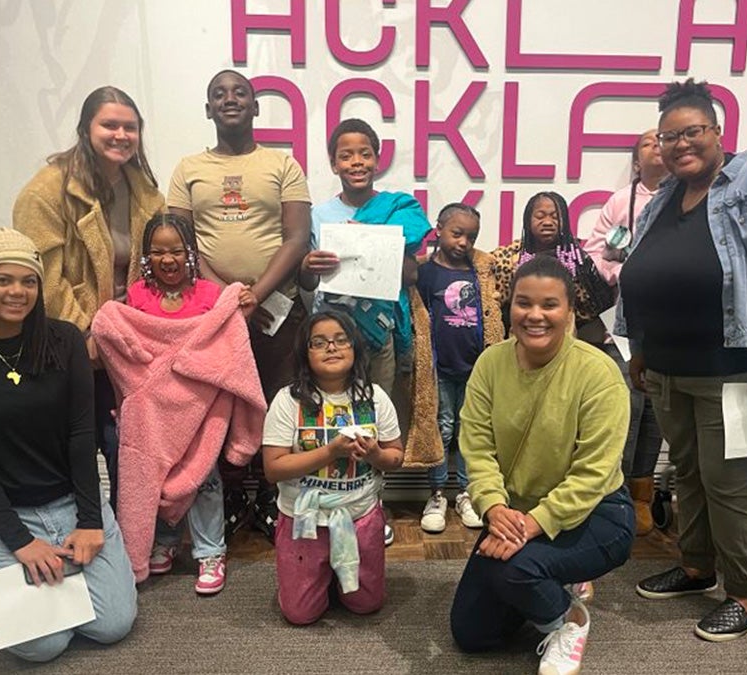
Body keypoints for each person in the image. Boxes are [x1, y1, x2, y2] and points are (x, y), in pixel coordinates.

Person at [615, 78, 747, 641]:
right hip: (666, 367)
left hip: (736, 366)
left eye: (692, 132)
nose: (680, 145)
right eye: (668, 137)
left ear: (717, 131)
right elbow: (639, 274)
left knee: (731, 484)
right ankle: (696, 567)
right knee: (687, 476)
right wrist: (637, 346)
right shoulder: (661, 199)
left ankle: (746, 594)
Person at [0, 228, 136, 662]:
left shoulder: (66, 341)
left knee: (112, 625)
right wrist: (20, 541)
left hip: (67, 504)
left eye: (29, 280)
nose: (17, 291)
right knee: (42, 647)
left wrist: (91, 520)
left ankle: (25, 583)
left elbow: (82, 434)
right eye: (3, 280)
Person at [450, 255, 635, 675]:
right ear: (509, 306)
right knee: (472, 633)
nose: (535, 315)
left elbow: (593, 474)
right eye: (523, 303)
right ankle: (555, 578)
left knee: (514, 570)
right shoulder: (490, 364)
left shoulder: (599, 373)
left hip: (596, 514)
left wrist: (530, 527)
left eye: (549, 305)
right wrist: (495, 510)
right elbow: (476, 449)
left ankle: (568, 619)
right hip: (513, 512)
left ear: (570, 311)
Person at [168, 69, 312, 542]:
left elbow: (296, 239)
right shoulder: (188, 169)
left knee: (277, 404)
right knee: (218, 408)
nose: (229, 100)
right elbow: (182, 242)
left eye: (240, 93)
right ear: (208, 109)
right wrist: (226, 297)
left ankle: (272, 499)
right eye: (218, 94)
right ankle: (230, 497)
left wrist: (257, 294)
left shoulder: (283, 165)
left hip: (277, 310)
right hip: (210, 311)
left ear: (254, 107)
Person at [91, 213, 265, 587]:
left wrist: (240, 299)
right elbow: (127, 354)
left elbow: (225, 349)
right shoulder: (136, 297)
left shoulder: (212, 296)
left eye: (176, 251)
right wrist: (129, 397)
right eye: (157, 252)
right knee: (151, 479)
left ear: (191, 254)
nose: (167, 260)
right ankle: (165, 544)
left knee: (203, 478)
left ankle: (210, 552)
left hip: (199, 409)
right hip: (154, 411)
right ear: (145, 258)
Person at [14, 85, 165, 509]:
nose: (121, 135)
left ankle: (127, 536)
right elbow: (40, 277)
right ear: (85, 129)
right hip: (71, 345)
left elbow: (157, 267)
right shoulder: (47, 190)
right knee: (73, 446)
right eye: (110, 125)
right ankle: (78, 532)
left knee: (127, 447)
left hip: (127, 345)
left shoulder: (147, 193)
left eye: (130, 127)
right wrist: (86, 334)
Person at [298, 118, 431, 546]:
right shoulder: (320, 215)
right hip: (334, 335)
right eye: (346, 155)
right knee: (333, 418)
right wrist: (309, 268)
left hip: (381, 334)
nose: (356, 161)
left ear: (377, 158)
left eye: (365, 153)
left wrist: (372, 238)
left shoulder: (400, 206)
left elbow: (410, 262)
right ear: (333, 163)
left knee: (375, 418)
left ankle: (374, 505)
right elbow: (305, 279)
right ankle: (331, 498)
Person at [261, 310, 405, 625]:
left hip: (360, 515)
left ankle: (336, 575)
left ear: (355, 349)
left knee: (367, 605)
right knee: (300, 614)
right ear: (304, 353)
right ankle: (318, 574)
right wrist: (331, 451)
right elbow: (273, 468)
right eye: (319, 342)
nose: (332, 348)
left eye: (341, 340)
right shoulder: (288, 401)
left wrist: (375, 455)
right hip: (304, 519)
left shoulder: (375, 397)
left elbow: (396, 457)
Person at [582, 129, 668, 536]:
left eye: (662, 140)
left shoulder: (692, 198)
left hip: (672, 320)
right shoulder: (621, 202)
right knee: (627, 404)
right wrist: (625, 272)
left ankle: (642, 494)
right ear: (637, 161)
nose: (658, 146)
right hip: (626, 318)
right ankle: (613, 494)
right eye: (649, 143)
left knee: (658, 408)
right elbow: (594, 252)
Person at [412, 203, 504, 533]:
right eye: (457, 233)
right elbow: (419, 318)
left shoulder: (481, 273)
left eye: (471, 236)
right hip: (440, 371)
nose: (464, 242)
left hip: (476, 370)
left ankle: (467, 492)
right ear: (438, 229)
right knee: (441, 428)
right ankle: (436, 493)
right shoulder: (424, 273)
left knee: (470, 432)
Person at [491, 192, 615, 346]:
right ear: (528, 220)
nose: (548, 222)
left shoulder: (578, 258)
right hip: (518, 339)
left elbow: (596, 306)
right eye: (540, 216)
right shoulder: (509, 257)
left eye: (555, 217)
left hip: (566, 340)